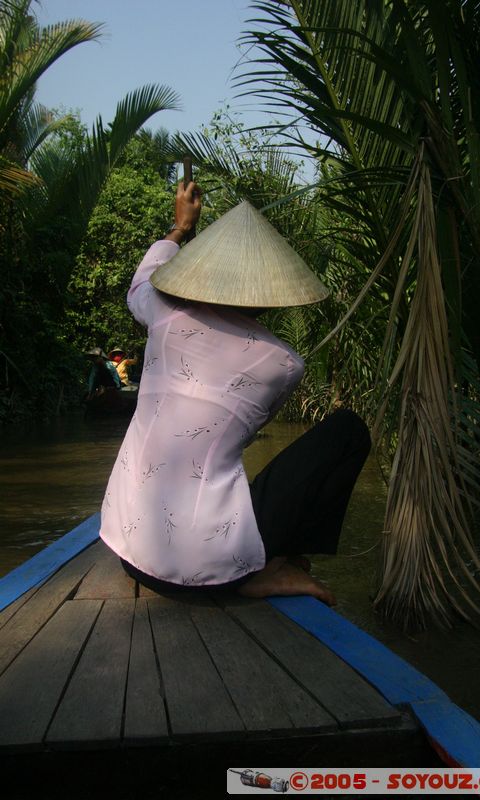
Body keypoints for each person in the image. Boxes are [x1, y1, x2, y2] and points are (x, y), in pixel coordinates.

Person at [99, 182, 371, 605]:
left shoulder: (163, 313)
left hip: (128, 549)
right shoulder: (283, 364)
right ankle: (264, 568)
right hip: (205, 575)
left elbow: (141, 284)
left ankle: (258, 560)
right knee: (348, 431)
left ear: (204, 277)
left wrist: (180, 228)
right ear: (272, 297)